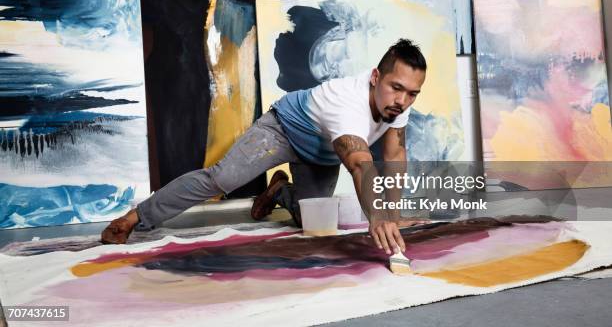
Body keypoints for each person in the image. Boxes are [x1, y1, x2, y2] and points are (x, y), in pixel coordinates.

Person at [101, 38, 427, 255]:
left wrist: (393, 215)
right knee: (222, 179)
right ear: (374, 77)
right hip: (283, 130)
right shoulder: (347, 104)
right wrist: (378, 215)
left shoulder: (399, 104)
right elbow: (360, 164)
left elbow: (395, 155)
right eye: (396, 88)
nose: (402, 100)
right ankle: (135, 218)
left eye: (412, 93)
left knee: (309, 222)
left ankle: (278, 189)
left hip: (322, 154)